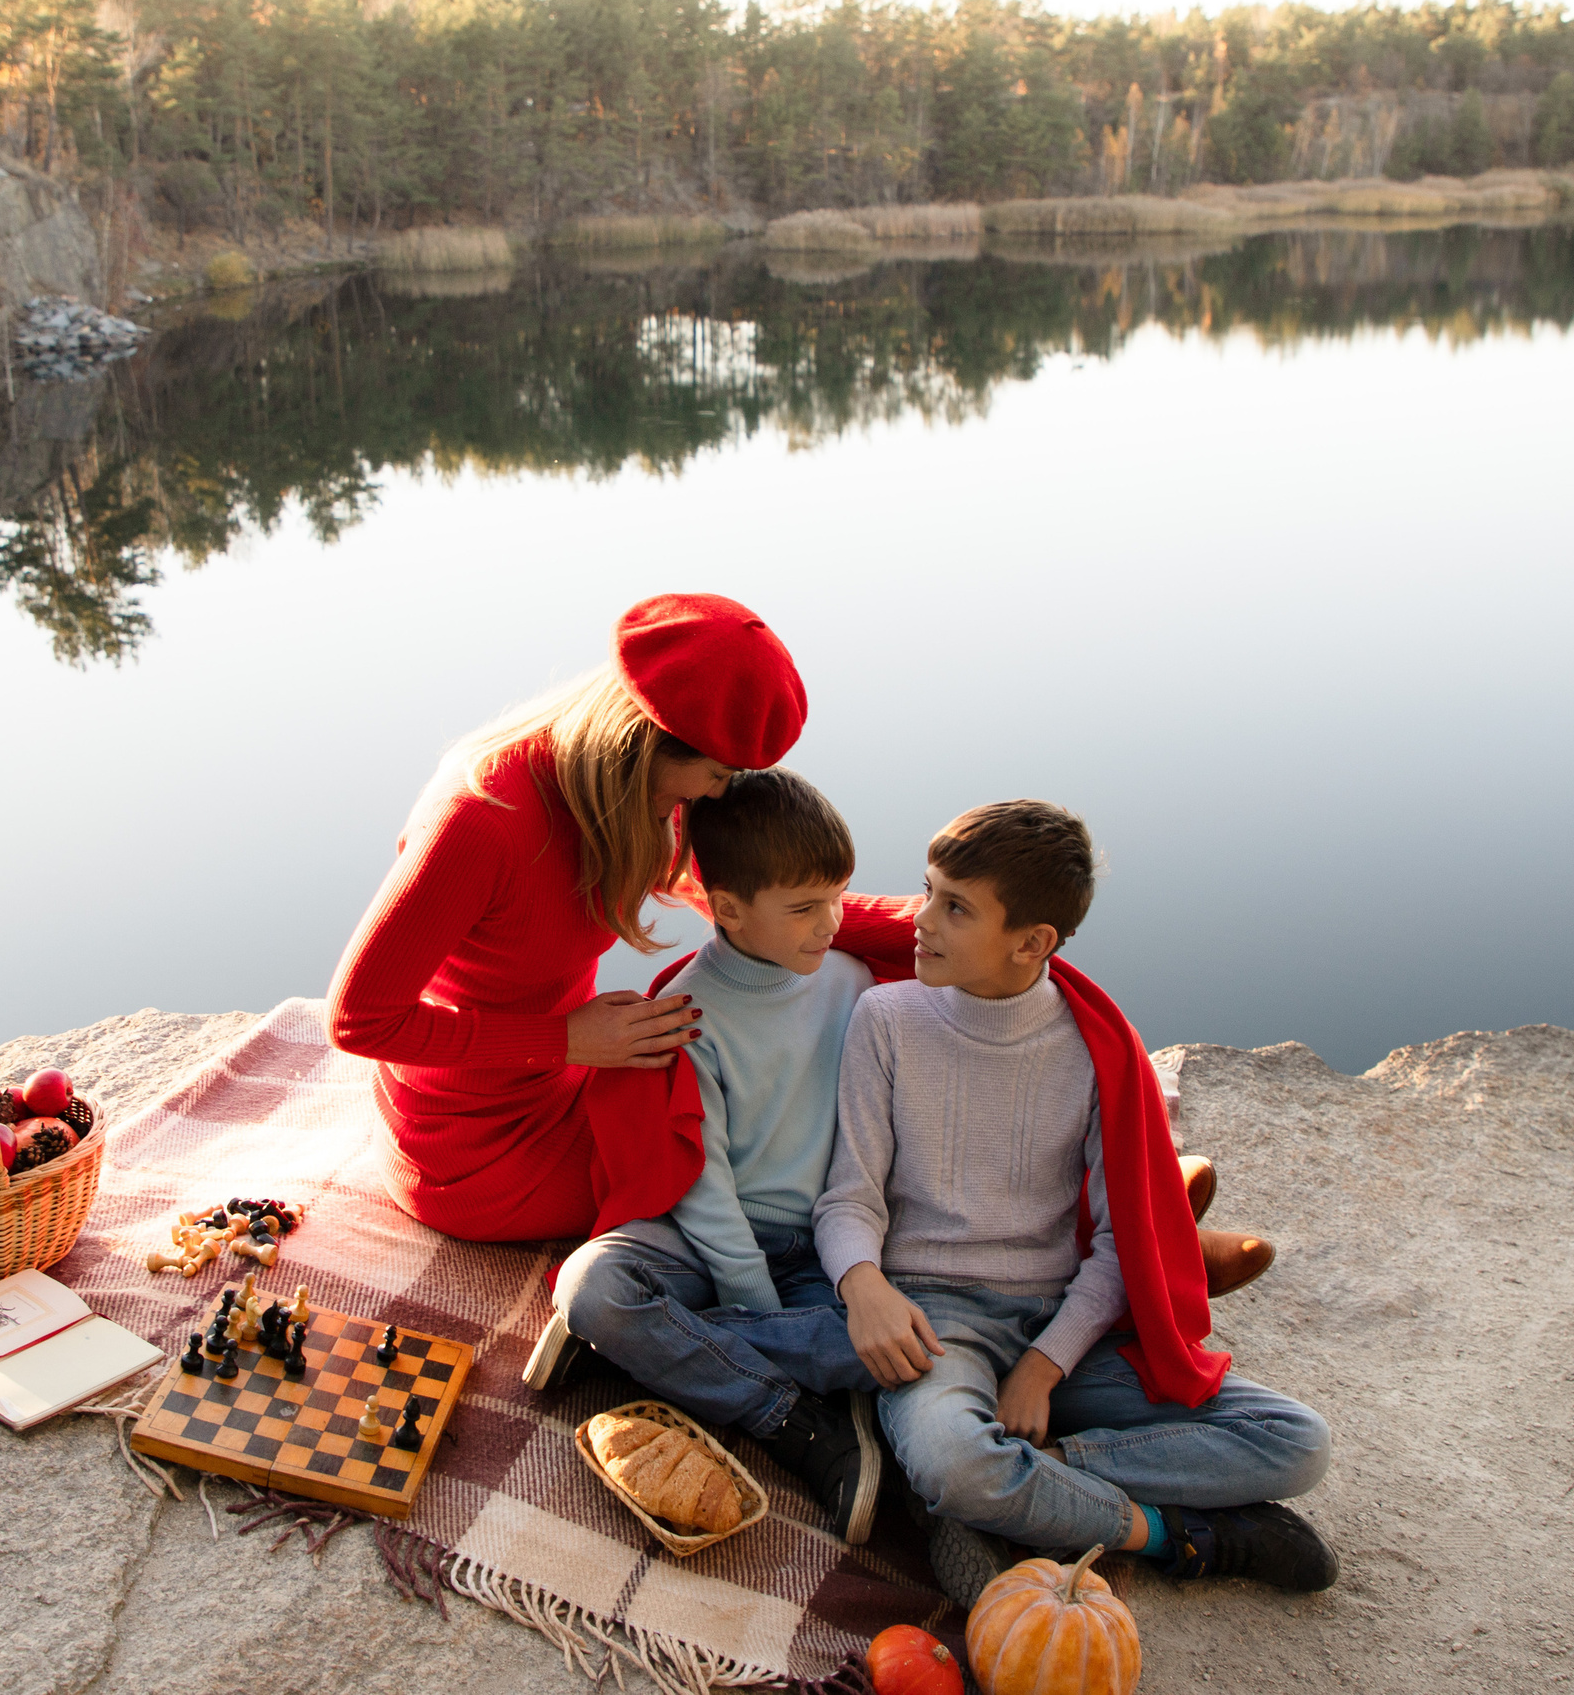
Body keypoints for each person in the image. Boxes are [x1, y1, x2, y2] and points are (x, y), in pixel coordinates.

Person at [816, 800, 1336, 1608]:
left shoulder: (1094, 1049)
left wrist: (1043, 1364)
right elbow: (849, 1194)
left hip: (1065, 1327)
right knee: (956, 1461)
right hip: (936, 1323)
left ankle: (1031, 1479)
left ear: (1032, 942)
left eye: (955, 907)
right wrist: (863, 1285)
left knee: (1297, 1441)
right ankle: (1188, 1537)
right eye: (928, 890)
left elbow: (1119, 1244)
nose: (920, 920)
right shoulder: (887, 1020)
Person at [327, 593, 809, 1243]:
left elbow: (753, 900)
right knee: (746, 1162)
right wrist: (566, 1039)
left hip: (567, 1074)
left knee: (765, 1083)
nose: (717, 794)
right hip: (476, 1150)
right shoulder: (482, 817)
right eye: (717, 773)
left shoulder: (635, 795)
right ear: (648, 740)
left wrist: (925, 921)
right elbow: (358, 1019)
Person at [539, 769, 886, 1542]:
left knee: (909, 1335)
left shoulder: (854, 982)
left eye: (836, 897)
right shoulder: (692, 1012)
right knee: (594, 1282)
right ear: (727, 908)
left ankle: (655, 1351)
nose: (831, 920)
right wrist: (752, 1297)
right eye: (804, 907)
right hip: (709, 1240)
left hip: (823, 1247)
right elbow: (699, 1178)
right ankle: (794, 1421)